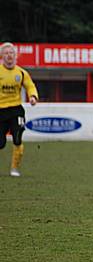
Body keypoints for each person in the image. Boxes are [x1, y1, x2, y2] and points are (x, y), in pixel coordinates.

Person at [0, 42, 38, 177]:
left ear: (15, 56)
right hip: (1, 111)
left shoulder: (21, 72)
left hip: (16, 109)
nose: (9, 56)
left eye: (11, 53)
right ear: (2, 56)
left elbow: (30, 86)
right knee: (1, 143)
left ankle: (14, 168)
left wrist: (33, 96)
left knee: (17, 138)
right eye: (6, 53)